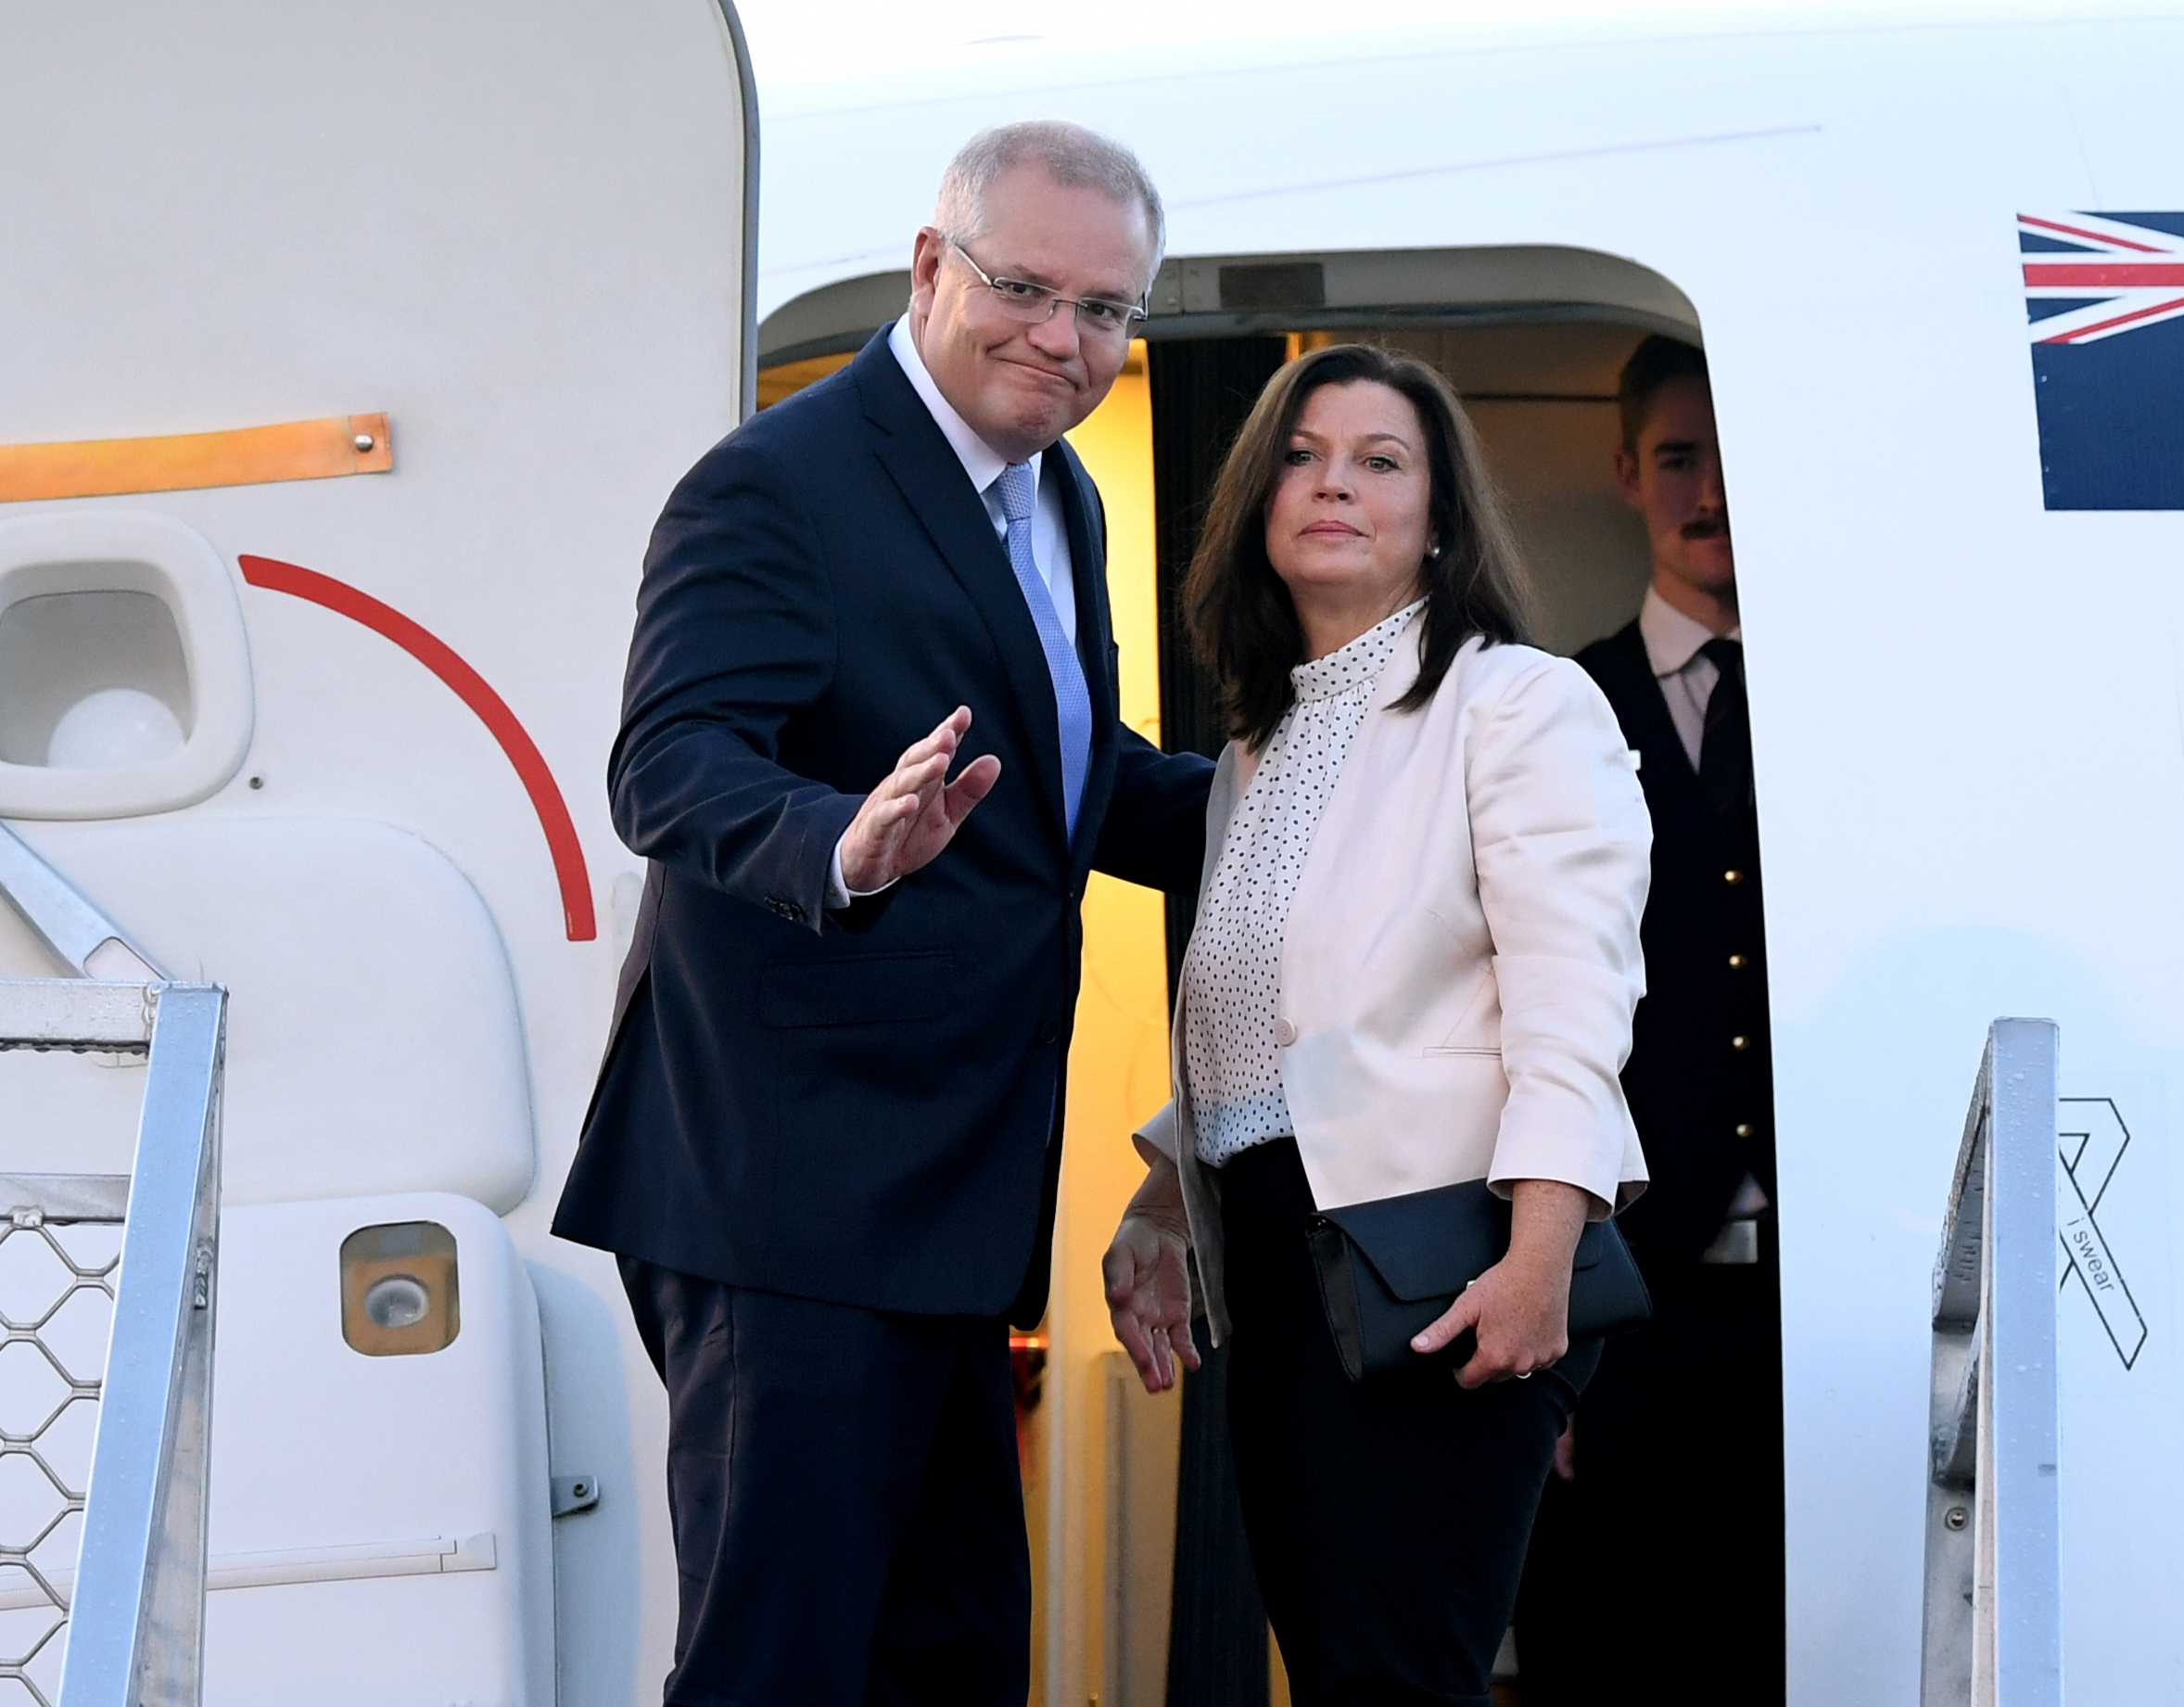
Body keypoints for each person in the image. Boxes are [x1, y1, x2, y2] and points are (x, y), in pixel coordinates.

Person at [551, 121, 1213, 1706]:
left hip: (949, 1199)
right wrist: (840, 843)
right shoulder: (776, 483)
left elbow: (1064, 781)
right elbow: (669, 760)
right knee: (779, 1667)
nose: (1061, 339)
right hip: (787, 1193)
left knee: (949, 1660)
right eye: (1024, 289)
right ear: (929, 267)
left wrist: (1318, 801)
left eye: (1103, 310)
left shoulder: (1056, 493)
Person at [1099, 342, 1653, 1707]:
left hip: (1444, 1258)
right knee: (1343, 1674)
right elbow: (1285, 1024)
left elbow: (1574, 999)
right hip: (1279, 1258)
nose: (1332, 483)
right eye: (1299, 457)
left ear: (1440, 519)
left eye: (1378, 460)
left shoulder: (1519, 700)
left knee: (1396, 1680)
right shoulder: (1258, 750)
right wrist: (1165, 1197)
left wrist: (1540, 1256)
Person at [1513, 334, 1784, 1701]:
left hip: (1814, 1294)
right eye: (1679, 458)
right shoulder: (1557, 706)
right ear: (1627, 472)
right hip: (1620, 1297)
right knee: (1608, 1649)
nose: (1709, 493)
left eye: (1732, 459)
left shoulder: (1851, 712)